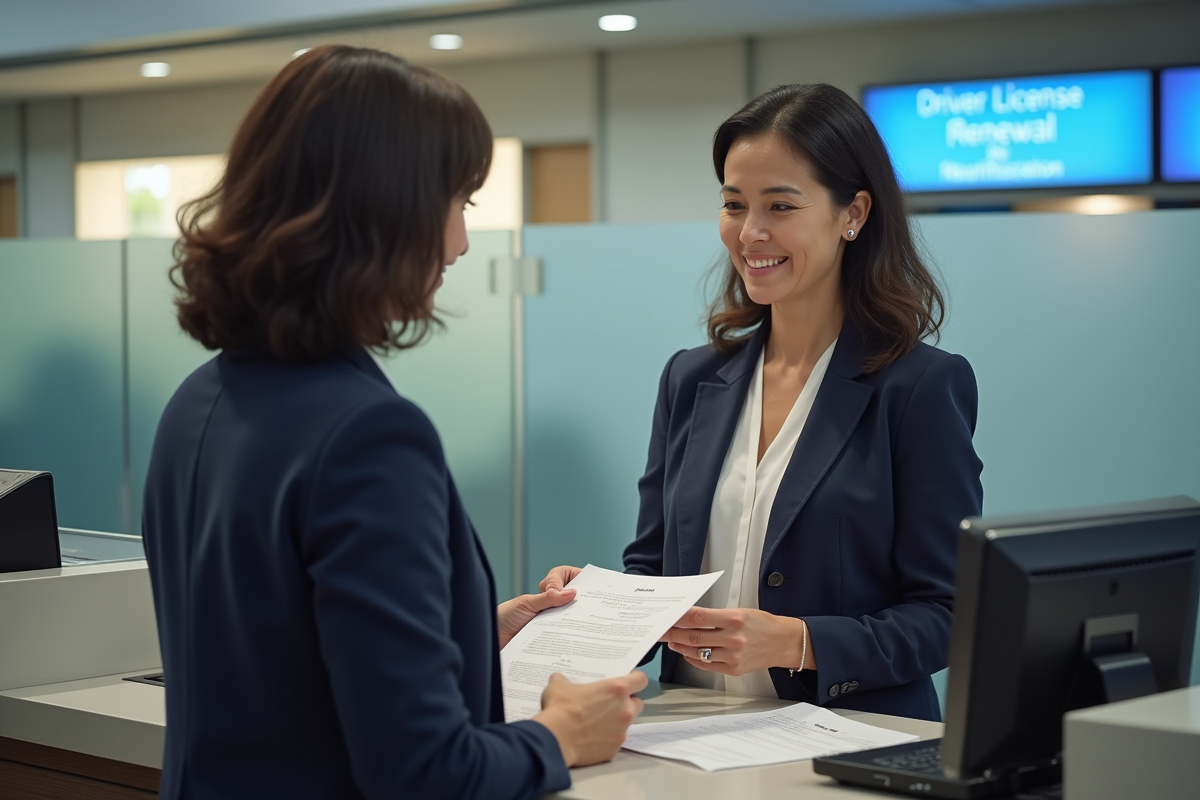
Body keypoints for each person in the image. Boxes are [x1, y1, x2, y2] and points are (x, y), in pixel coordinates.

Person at [141, 45, 645, 800]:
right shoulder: (367, 437)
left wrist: (466, 632)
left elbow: (273, 654)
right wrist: (558, 737)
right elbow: (424, 774)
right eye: (458, 204)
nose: (462, 243)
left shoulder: (196, 402)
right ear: (386, 208)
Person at [542, 83, 983, 721]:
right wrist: (595, 606)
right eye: (733, 203)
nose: (751, 232)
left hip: (850, 739)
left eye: (780, 205)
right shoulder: (690, 380)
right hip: (690, 737)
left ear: (852, 213)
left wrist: (800, 643)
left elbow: (948, 612)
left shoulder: (918, 387)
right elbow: (653, 571)